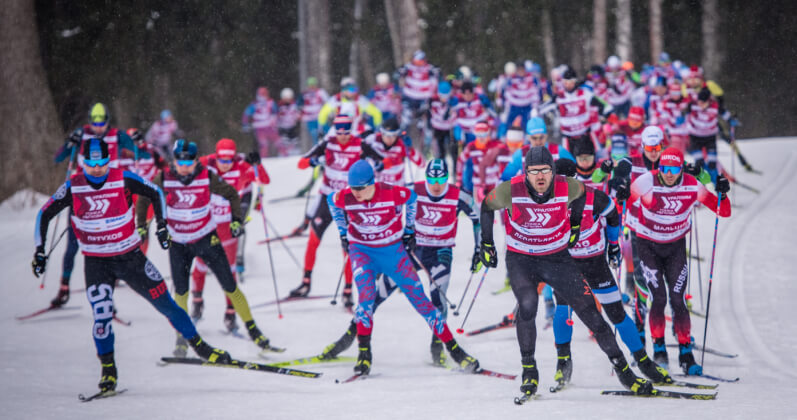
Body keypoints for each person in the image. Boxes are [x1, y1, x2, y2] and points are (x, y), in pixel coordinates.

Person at [32, 138, 231, 394]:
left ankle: (202, 348)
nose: (97, 170)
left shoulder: (122, 178)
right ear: (83, 163)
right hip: (97, 263)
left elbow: (155, 192)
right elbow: (44, 213)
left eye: (102, 163)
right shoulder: (74, 186)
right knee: (102, 318)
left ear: (108, 160)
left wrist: (161, 225)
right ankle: (108, 372)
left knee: (167, 305)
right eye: (91, 165)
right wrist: (40, 250)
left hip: (131, 258)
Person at [479, 146, 653, 398]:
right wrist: (487, 244)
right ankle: (529, 370)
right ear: (525, 173)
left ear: (554, 173)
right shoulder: (511, 189)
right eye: (533, 171)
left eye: (546, 171)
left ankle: (625, 371)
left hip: (556, 257)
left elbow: (583, 194)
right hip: (522, 258)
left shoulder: (568, 186)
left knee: (590, 312)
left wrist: (574, 224)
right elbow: (486, 206)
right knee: (527, 305)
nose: (540, 177)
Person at [317, 159, 481, 366]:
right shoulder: (410, 189)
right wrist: (343, 233)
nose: (436, 184)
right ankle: (351, 341)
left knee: (434, 301)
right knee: (372, 299)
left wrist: (479, 248)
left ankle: (440, 347)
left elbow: (478, 216)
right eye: (431, 179)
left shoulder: (457, 195)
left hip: (437, 252)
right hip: (412, 251)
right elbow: (333, 201)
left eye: (441, 179)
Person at [545, 139, 673, 388]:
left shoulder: (593, 196)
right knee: (564, 310)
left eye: (564, 181)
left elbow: (613, 214)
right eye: (557, 181)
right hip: (566, 265)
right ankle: (563, 363)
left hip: (594, 261)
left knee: (615, 312)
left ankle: (644, 362)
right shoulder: (547, 201)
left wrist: (613, 246)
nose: (560, 186)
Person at [136, 140, 280, 356]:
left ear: (196, 161)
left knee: (230, 286)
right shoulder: (165, 178)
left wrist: (236, 220)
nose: (184, 166)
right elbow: (145, 198)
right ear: (174, 160)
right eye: (180, 161)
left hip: (206, 238)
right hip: (179, 243)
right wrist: (143, 226)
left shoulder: (205, 175)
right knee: (181, 293)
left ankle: (254, 332)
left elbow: (231, 194)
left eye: (189, 161)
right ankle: (182, 338)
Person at [628, 147, 731, 374]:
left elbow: (723, 211)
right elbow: (623, 202)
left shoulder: (692, 185)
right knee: (658, 297)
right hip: (648, 246)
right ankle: (659, 350)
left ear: (681, 168)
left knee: (678, 299)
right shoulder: (647, 181)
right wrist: (619, 193)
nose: (669, 173)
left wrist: (723, 192)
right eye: (665, 168)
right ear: (660, 167)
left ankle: (686, 354)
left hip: (675, 247)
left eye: (674, 168)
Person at [287, 115, 385, 306]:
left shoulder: (359, 144)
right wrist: (313, 161)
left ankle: (348, 289)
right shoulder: (328, 143)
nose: (342, 136)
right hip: (327, 199)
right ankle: (305, 283)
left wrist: (377, 165)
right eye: (339, 132)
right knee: (313, 240)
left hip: (350, 201)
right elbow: (301, 163)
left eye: (346, 132)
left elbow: (382, 162)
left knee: (349, 246)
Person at [50, 103, 136, 308]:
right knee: (72, 244)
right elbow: (58, 157)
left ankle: (108, 297)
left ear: (108, 121)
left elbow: (139, 151)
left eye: (102, 122)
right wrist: (69, 144)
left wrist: (137, 142)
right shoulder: (81, 135)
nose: (99, 127)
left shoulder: (117, 135)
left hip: (109, 196)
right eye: (94, 122)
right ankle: (64, 287)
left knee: (107, 246)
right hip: (82, 195)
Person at [190, 139, 269, 329]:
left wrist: (257, 164)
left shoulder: (241, 167)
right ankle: (197, 301)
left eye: (229, 160)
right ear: (216, 156)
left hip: (227, 225)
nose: (225, 164)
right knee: (200, 265)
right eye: (222, 160)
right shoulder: (206, 163)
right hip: (206, 223)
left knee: (229, 269)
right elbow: (181, 169)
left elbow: (264, 180)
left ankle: (230, 311)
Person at [455, 122, 508, 202]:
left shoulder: (496, 145)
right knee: (480, 209)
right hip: (478, 184)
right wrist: (459, 179)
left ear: (489, 133)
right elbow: (460, 161)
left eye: (484, 134)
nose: (481, 138)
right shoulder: (471, 147)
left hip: (494, 183)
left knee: (496, 210)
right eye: (478, 135)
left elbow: (507, 157)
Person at [367, 117, 423, 185]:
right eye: (386, 134)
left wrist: (410, 150)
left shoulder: (401, 145)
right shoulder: (373, 140)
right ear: (382, 132)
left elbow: (422, 164)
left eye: (393, 135)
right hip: (378, 186)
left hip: (397, 187)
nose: (389, 138)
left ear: (397, 134)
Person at [317, 77, 382, 136]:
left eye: (355, 89)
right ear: (344, 90)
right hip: (340, 131)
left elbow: (376, 112)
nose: (354, 92)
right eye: (352, 90)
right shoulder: (335, 100)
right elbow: (323, 113)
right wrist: (321, 128)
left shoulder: (360, 100)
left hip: (357, 130)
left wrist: (378, 127)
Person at [395, 50, 439, 132]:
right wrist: (400, 72)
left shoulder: (428, 68)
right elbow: (397, 74)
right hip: (409, 96)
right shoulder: (409, 67)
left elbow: (436, 75)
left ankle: (425, 134)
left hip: (423, 97)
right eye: (417, 61)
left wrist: (436, 72)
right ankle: (402, 133)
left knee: (424, 115)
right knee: (406, 116)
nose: (419, 63)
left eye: (420, 61)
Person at [242, 86, 279, 157]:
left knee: (278, 142)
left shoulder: (270, 103)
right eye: (261, 95)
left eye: (264, 95)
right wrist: (245, 124)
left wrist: (274, 121)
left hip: (269, 126)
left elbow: (276, 113)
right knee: (264, 145)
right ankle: (264, 160)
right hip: (259, 128)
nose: (263, 97)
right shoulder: (254, 105)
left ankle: (286, 157)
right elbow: (246, 114)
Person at [426, 81, 458, 161]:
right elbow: (432, 113)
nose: (444, 98)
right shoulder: (433, 101)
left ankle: (455, 168)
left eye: (446, 96)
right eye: (442, 96)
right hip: (438, 127)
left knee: (453, 148)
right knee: (440, 149)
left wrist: (451, 113)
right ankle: (441, 165)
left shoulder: (452, 101)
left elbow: (456, 114)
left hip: (449, 127)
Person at [297, 77, 329, 144]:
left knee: (327, 132)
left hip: (320, 117)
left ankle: (330, 146)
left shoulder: (321, 92)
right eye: (310, 85)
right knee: (314, 134)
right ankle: (317, 149)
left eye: (313, 84)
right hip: (310, 119)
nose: (312, 86)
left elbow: (328, 102)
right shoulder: (304, 94)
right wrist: (300, 114)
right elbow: (299, 105)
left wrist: (327, 112)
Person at [277, 88, 301, 156]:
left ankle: (295, 154)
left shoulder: (294, 105)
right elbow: (276, 116)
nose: (287, 100)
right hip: (283, 128)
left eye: (289, 98)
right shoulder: (280, 106)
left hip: (292, 127)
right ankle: (283, 154)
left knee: (294, 141)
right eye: (286, 98)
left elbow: (297, 114)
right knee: (284, 141)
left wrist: (297, 116)